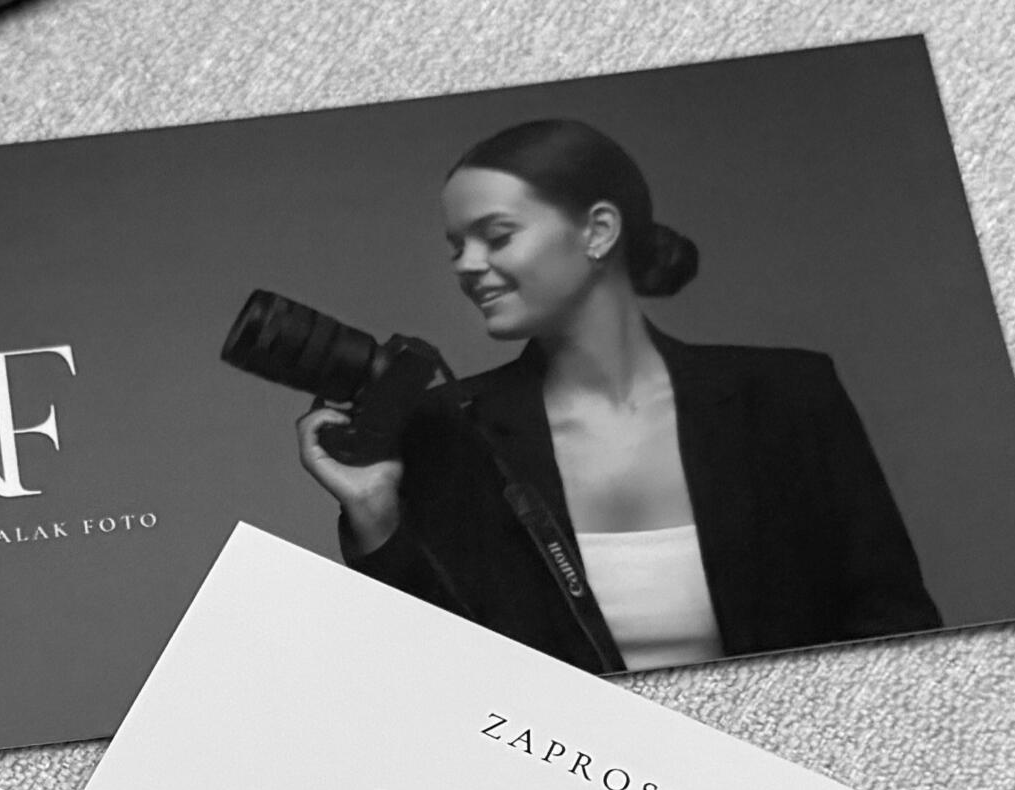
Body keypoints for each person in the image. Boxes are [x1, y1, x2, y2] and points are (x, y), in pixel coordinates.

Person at [297, 118, 941, 673]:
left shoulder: (787, 395)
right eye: (456, 246)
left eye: (496, 235)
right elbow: (439, 671)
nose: (465, 264)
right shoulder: (447, 428)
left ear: (598, 231)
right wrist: (374, 513)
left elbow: (896, 625)